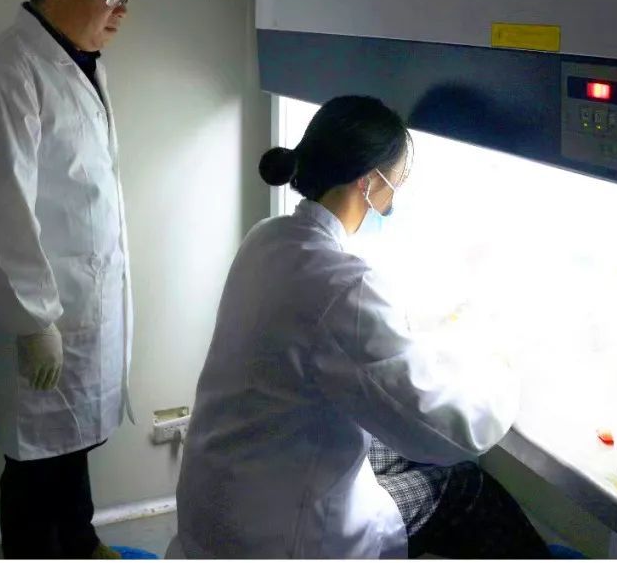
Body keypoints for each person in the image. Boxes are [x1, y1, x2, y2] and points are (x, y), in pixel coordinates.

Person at [169, 95, 547, 559]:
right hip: (283, 537)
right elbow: (446, 429)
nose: (394, 199)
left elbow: (336, 344)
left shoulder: (267, 238)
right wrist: (503, 372)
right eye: (396, 183)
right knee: (463, 484)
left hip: (222, 502)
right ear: (368, 182)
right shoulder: (343, 287)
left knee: (389, 449)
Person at [0, 0, 144, 559]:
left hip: (82, 304)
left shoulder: (81, 60)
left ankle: (82, 543)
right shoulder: (5, 73)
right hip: (40, 313)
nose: (122, 11)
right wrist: (33, 320)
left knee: (73, 443)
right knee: (35, 461)